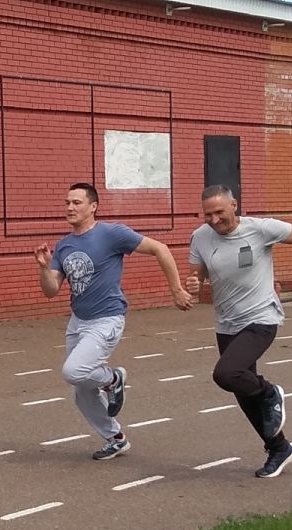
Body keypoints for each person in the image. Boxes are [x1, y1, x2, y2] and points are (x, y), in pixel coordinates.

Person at [186, 185, 292, 480]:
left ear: (234, 205)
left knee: (226, 374)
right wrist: (194, 284)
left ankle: (271, 392)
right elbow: (198, 274)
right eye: (207, 214)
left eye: (219, 212)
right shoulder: (200, 237)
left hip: (261, 317)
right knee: (241, 390)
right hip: (227, 322)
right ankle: (278, 448)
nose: (213, 219)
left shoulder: (261, 229)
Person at [34, 182, 192, 461]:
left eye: (77, 202)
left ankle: (113, 378)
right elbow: (51, 291)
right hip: (78, 321)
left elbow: (161, 249)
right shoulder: (64, 245)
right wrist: (45, 268)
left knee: (73, 372)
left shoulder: (111, 233)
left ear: (93, 206)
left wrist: (176, 289)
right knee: (81, 391)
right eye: (67, 203)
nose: (70, 207)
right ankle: (115, 438)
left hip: (107, 318)